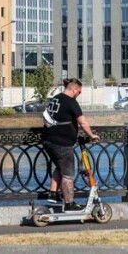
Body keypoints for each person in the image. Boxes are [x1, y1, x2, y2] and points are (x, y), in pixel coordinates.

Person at [41, 78, 99, 211]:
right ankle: (69, 204)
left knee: (61, 166)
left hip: (48, 140)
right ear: (74, 89)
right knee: (68, 175)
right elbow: (83, 122)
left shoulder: (55, 98)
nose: (79, 94)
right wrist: (91, 135)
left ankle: (53, 195)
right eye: (79, 92)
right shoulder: (71, 102)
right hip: (62, 143)